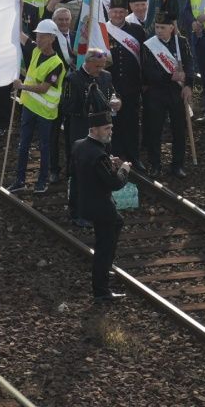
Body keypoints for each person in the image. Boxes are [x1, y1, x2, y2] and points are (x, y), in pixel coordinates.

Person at [73, 111, 131, 302]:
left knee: (117, 224)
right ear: (94, 130)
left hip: (86, 203)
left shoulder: (79, 146)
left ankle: (104, 271)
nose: (110, 131)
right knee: (104, 248)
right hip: (101, 207)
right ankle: (101, 290)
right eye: (107, 128)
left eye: (111, 128)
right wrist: (123, 170)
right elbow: (114, 183)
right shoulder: (98, 154)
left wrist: (109, 165)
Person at [8, 20, 66, 194]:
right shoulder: (35, 50)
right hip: (29, 108)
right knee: (23, 144)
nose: (38, 39)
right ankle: (20, 180)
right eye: (38, 36)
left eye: (42, 36)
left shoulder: (57, 64)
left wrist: (22, 87)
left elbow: (44, 88)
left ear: (52, 39)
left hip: (45, 112)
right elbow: (21, 36)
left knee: (44, 146)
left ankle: (42, 182)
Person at [63, 48, 116, 225]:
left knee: (102, 171)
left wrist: (116, 101)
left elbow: (112, 94)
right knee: (80, 175)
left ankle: (102, 206)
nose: (100, 69)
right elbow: (67, 106)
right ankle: (76, 212)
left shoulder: (106, 76)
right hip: (82, 133)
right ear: (87, 62)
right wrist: (88, 104)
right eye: (97, 66)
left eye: (102, 66)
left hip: (103, 134)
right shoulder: (73, 79)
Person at [142, 7, 193, 178]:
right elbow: (148, 72)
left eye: (162, 27)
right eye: (157, 27)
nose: (159, 31)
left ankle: (177, 165)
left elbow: (189, 65)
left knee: (179, 129)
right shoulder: (149, 45)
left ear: (172, 28)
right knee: (154, 130)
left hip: (177, 92)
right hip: (157, 93)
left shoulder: (182, 42)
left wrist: (188, 85)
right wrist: (169, 76)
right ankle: (155, 164)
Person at [105, 0, 145, 173]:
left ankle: (133, 157)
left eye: (121, 12)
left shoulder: (137, 30)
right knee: (113, 124)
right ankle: (116, 156)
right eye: (115, 12)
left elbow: (144, 58)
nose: (118, 15)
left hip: (132, 85)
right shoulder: (102, 31)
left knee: (131, 122)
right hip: (110, 85)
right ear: (109, 12)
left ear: (126, 13)